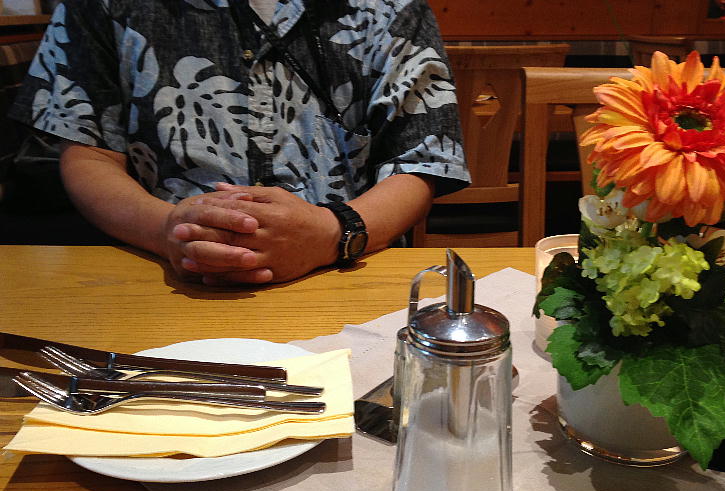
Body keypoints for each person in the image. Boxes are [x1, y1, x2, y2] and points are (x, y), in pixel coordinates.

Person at [9, 0, 469, 285]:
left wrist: (332, 233)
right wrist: (168, 232)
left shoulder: (393, 6)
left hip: (347, 271)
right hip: (157, 273)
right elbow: (88, 151)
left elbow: (421, 161)